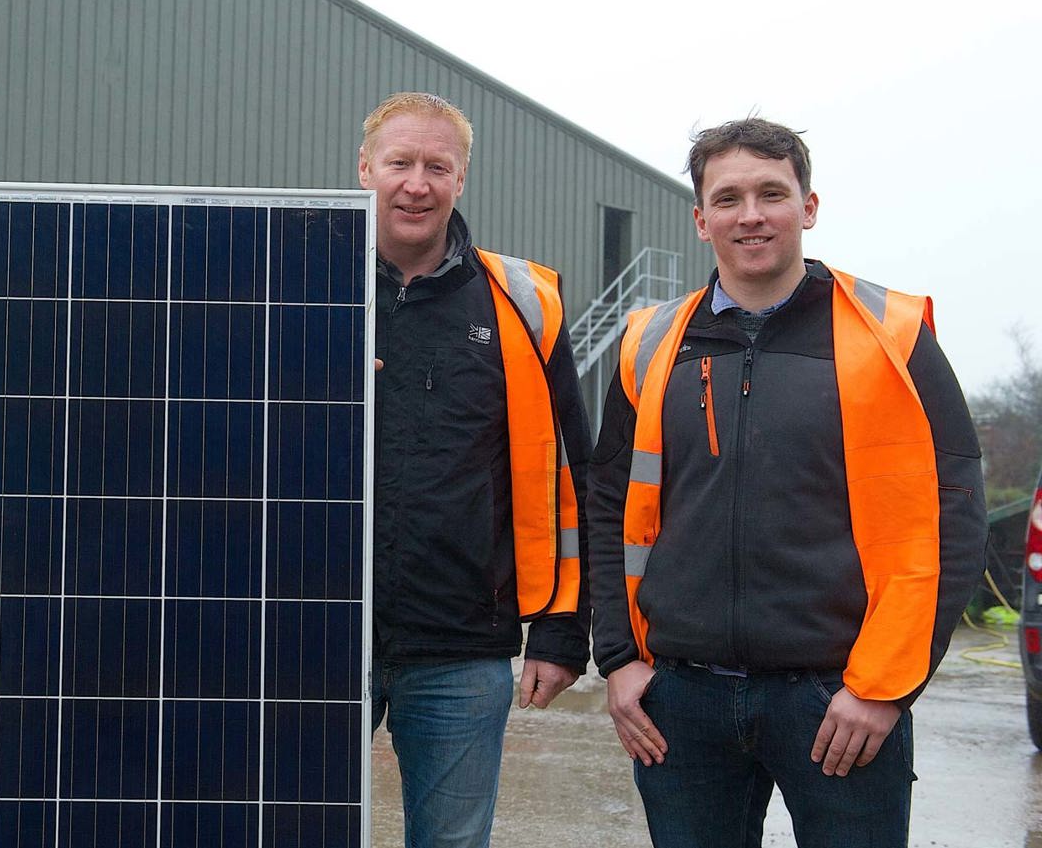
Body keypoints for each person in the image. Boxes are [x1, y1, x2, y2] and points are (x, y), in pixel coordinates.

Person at [587, 118, 987, 847]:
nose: (751, 214)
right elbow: (610, 502)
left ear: (808, 206)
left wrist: (886, 687)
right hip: (682, 699)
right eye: (729, 197)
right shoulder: (649, 342)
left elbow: (953, 513)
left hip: (839, 699)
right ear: (701, 218)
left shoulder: (891, 334)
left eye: (772, 192)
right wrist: (618, 659)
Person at [362, 91, 591, 846]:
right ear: (365, 169)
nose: (416, 183)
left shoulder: (521, 304)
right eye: (400, 163)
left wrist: (562, 631)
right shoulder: (304, 286)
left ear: (462, 180)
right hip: (320, 629)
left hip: (463, 643)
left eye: (437, 166)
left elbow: (571, 474)